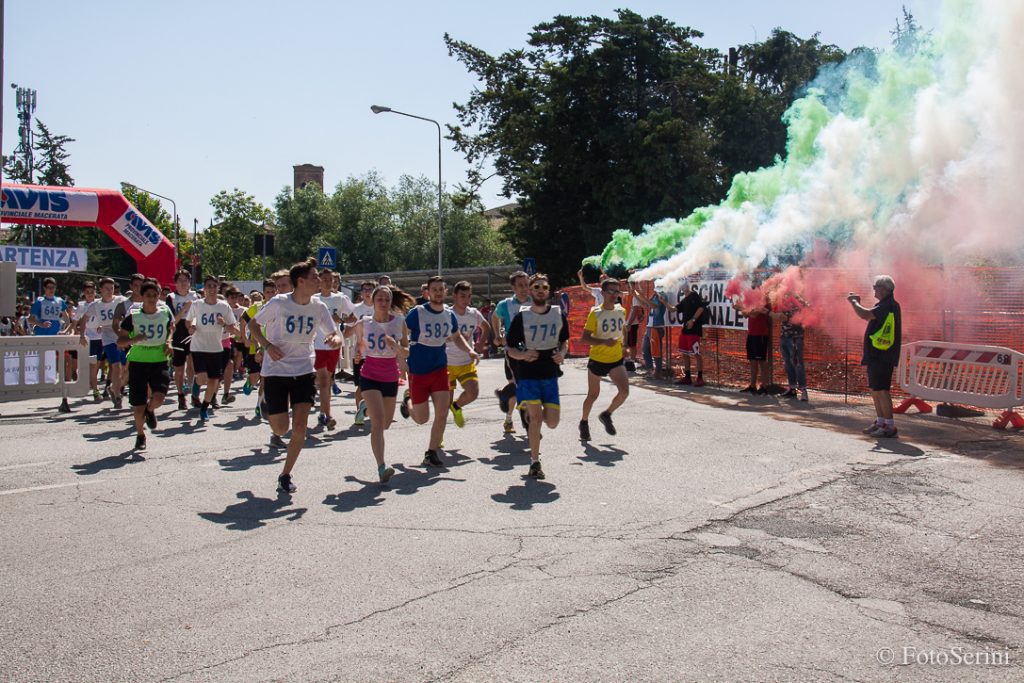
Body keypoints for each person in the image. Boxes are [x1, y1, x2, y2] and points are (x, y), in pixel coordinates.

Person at [250, 258, 343, 493]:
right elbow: (252, 324)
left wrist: (334, 339)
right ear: (300, 282)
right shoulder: (279, 303)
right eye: (314, 277)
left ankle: (285, 474)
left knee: (300, 428)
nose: (319, 281)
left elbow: (336, 333)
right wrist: (267, 346)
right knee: (281, 429)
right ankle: (267, 404)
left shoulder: (319, 307)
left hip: (303, 370)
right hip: (276, 371)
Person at [400, 275, 478, 467]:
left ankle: (431, 452)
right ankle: (408, 401)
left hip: (439, 368)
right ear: (427, 292)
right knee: (421, 418)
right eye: (433, 289)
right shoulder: (417, 312)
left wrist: (470, 350)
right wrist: (401, 357)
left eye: (440, 289)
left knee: (442, 412)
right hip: (418, 370)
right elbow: (402, 331)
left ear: (445, 292)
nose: (437, 292)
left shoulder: (449, 315)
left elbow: (456, 337)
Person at [505, 273, 569, 480]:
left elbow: (564, 341)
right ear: (531, 291)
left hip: (550, 374)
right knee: (536, 419)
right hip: (529, 374)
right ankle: (535, 462)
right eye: (537, 287)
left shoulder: (558, 314)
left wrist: (562, 353)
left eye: (544, 287)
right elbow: (510, 348)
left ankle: (526, 409)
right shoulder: (522, 317)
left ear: (548, 291)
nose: (541, 290)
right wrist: (523, 355)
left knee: (552, 422)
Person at [343, 285, 409, 482]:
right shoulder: (364, 323)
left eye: (387, 300)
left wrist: (396, 347)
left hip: (390, 375)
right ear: (373, 300)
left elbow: (406, 351)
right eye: (379, 299)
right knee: (378, 424)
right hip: (370, 373)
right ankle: (381, 466)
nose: (383, 303)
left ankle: (366, 408)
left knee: (386, 423)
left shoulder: (399, 322)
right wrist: (357, 353)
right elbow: (360, 342)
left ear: (390, 302)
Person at [116, 281, 174, 451]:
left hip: (159, 360)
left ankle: (150, 410)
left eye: (155, 295)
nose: (152, 299)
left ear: (159, 296)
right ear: (142, 297)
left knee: (159, 397)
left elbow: (171, 328)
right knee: (138, 403)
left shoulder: (164, 313)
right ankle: (140, 435)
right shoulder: (133, 317)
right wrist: (134, 339)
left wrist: (169, 342)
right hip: (139, 361)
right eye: (148, 296)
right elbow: (120, 341)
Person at [848, 276, 902, 438]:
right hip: (877, 354)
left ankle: (889, 426)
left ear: (884, 289)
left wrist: (854, 302)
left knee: (882, 390)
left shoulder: (888, 305)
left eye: (876, 286)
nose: (874, 289)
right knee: (875, 389)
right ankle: (881, 422)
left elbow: (865, 315)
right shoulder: (886, 305)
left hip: (882, 355)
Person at [579, 278, 630, 440]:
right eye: (611, 291)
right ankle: (584, 422)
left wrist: (624, 346)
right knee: (593, 395)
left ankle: (606, 414)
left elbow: (623, 329)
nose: (615, 294)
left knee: (624, 392)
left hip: (615, 359)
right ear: (602, 293)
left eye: (617, 291)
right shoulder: (595, 313)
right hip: (598, 359)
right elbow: (585, 338)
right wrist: (603, 341)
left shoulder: (621, 310)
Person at [186, 276, 239, 421]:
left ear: (218, 288)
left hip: (216, 348)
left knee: (213, 380)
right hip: (198, 346)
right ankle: (196, 388)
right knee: (203, 379)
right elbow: (188, 321)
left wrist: (223, 324)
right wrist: (191, 328)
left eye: (214, 286)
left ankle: (204, 407)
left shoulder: (223, 306)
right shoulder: (197, 304)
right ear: (204, 289)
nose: (211, 289)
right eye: (208, 286)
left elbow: (233, 328)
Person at [312, 269, 355, 430]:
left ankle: (323, 413)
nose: (328, 282)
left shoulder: (340, 298)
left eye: (331, 280)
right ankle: (327, 415)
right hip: (316, 344)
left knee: (327, 382)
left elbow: (354, 316)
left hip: (333, 345)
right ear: (318, 281)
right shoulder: (313, 299)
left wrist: (341, 320)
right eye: (325, 279)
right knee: (323, 381)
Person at [240, 274, 287, 419]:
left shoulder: (280, 305)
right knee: (255, 378)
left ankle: (259, 405)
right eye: (268, 292)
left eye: (274, 291)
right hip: (256, 347)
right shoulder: (257, 307)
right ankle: (250, 381)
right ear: (263, 293)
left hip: (271, 348)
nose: (271, 294)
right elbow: (243, 320)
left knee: (265, 379)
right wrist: (244, 338)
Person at [491, 270, 532, 433]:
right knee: (518, 387)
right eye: (520, 285)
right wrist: (498, 334)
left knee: (523, 387)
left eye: (526, 285)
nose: (524, 288)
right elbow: (495, 317)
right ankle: (515, 421)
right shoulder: (505, 304)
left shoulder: (535, 302)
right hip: (513, 351)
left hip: (531, 351)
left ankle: (505, 396)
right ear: (513, 288)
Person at [447, 280, 491, 428]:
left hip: (465, 362)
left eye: (469, 296)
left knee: (473, 393)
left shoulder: (474, 314)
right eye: (462, 296)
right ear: (454, 296)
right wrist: (454, 337)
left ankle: (457, 406)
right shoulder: (447, 313)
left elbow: (486, 327)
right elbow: (437, 337)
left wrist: (480, 344)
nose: (466, 300)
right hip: (446, 363)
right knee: (443, 405)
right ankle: (438, 438)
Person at [80, 278, 128, 407]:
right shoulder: (96, 305)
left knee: (126, 369)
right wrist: (82, 336)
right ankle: (117, 396)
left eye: (111, 288)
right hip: (107, 336)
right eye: (106, 288)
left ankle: (113, 388)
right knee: (116, 365)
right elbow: (84, 319)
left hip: (121, 335)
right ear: (100, 290)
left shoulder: (120, 300)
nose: (109, 291)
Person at [167, 270, 198, 410]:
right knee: (179, 368)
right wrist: (185, 308)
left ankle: (193, 392)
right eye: (180, 280)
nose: (183, 283)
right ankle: (180, 395)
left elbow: (198, 314)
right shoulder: (171, 297)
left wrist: (194, 324)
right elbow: (173, 320)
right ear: (176, 282)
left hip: (191, 332)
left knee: (192, 365)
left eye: (186, 280)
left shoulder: (195, 296)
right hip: (177, 333)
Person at [771, 294, 809, 401]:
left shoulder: (798, 301)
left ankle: (803, 390)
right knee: (788, 363)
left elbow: (783, 317)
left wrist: (768, 313)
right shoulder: (782, 301)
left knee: (797, 364)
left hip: (795, 338)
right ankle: (792, 388)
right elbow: (779, 316)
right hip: (785, 336)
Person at [350, 280, 376, 426]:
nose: (368, 292)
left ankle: (372, 411)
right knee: (360, 386)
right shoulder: (356, 309)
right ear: (361, 293)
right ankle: (359, 412)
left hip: (377, 353)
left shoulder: (381, 307)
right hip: (360, 353)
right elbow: (349, 329)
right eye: (365, 289)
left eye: (370, 289)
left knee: (377, 385)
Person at [734, 293, 771, 394]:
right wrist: (740, 308)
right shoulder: (754, 299)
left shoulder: (765, 299)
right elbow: (746, 315)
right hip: (752, 333)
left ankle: (764, 386)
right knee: (752, 360)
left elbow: (754, 314)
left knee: (761, 361)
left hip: (761, 334)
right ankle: (753, 385)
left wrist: (741, 307)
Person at [75, 281, 105, 401]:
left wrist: (102, 326)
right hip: (89, 339)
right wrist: (75, 333)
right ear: (84, 293)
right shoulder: (81, 306)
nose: (90, 295)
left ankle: (91, 385)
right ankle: (95, 390)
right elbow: (75, 321)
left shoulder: (100, 304)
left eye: (92, 292)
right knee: (92, 366)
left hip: (100, 338)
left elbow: (105, 319)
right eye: (87, 292)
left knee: (96, 365)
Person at [630, 283, 668, 376]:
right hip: (650, 326)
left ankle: (658, 371)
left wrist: (640, 295)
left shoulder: (662, 295)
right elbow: (646, 305)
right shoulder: (655, 295)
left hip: (656, 326)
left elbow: (654, 306)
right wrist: (636, 295)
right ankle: (650, 369)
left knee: (656, 350)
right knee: (645, 349)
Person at [675, 281, 708, 386]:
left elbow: (702, 307)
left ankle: (700, 378)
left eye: (683, 284)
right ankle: (688, 377)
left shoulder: (694, 295)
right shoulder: (684, 300)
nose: (682, 286)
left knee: (696, 354)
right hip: (685, 330)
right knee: (685, 353)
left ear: (687, 285)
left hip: (694, 330)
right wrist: (663, 302)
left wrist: (693, 320)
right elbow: (672, 309)